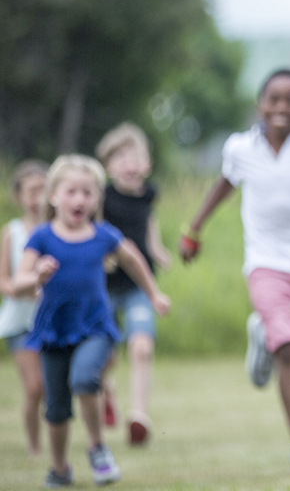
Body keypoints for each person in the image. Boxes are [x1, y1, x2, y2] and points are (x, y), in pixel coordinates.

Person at [179, 68, 290, 478]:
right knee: (289, 351)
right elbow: (224, 185)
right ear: (259, 104)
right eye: (273, 99)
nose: (281, 107)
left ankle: (262, 333)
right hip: (265, 264)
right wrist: (194, 228)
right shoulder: (239, 148)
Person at [13, 155, 170, 488]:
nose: (80, 200)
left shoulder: (103, 235)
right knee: (56, 409)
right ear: (53, 196)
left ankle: (98, 448)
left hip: (95, 327)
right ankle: (59, 468)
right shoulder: (42, 237)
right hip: (54, 330)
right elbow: (17, 282)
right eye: (72, 192)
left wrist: (154, 294)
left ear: (97, 199)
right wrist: (36, 277)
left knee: (85, 378)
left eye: (88, 193)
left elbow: (133, 259)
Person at [94, 122, 173, 446]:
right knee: (106, 355)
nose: (129, 165)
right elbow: (94, 227)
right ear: (108, 166)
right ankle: (107, 392)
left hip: (140, 285)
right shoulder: (102, 196)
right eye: (120, 158)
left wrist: (157, 249)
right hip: (104, 286)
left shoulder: (148, 195)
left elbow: (148, 224)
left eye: (135, 157)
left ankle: (138, 415)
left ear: (147, 163)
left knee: (141, 348)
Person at [0, 160, 48, 456]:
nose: (38, 198)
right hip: (20, 320)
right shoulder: (12, 232)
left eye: (44, 190)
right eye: (32, 191)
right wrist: (21, 289)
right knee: (34, 387)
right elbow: (3, 280)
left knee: (55, 386)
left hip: (52, 318)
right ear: (19, 196)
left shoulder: (58, 230)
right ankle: (34, 445)